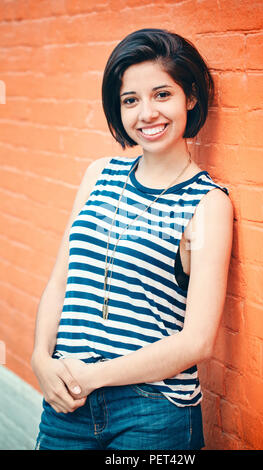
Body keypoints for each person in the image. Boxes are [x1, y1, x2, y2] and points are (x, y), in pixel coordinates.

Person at [32, 28, 233, 450]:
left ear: (190, 98)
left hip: (152, 412)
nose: (147, 114)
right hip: (67, 400)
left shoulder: (207, 204)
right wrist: (39, 358)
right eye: (131, 100)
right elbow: (60, 280)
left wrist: (96, 375)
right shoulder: (98, 176)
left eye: (162, 95)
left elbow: (198, 340)